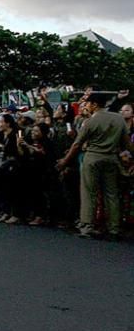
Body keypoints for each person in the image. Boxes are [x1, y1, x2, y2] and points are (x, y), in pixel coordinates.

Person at [57, 93, 128, 240]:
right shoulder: (119, 119)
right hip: (111, 158)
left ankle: (87, 226)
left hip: (93, 157)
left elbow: (77, 144)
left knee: (89, 193)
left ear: (94, 104)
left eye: (88, 103)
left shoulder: (90, 122)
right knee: (111, 194)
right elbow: (127, 143)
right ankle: (114, 228)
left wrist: (65, 160)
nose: (86, 106)